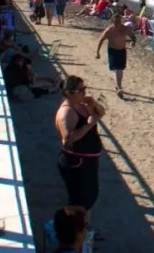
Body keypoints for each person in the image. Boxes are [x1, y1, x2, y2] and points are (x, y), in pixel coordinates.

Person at [55, 76, 105, 217]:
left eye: (85, 88)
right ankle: (78, 232)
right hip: (76, 162)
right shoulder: (67, 112)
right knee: (80, 201)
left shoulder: (81, 105)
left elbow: (101, 113)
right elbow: (68, 140)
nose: (84, 92)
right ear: (69, 93)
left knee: (88, 198)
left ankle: (84, 230)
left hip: (86, 161)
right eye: (81, 90)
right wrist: (89, 125)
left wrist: (93, 103)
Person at [94, 13, 137, 97]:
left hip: (122, 51)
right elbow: (101, 40)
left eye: (118, 21)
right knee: (117, 69)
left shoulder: (125, 29)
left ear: (120, 21)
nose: (117, 23)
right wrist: (97, 52)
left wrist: (133, 42)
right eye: (115, 21)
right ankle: (119, 87)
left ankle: (118, 86)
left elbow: (133, 37)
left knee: (119, 69)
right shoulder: (109, 30)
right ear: (112, 21)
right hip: (112, 51)